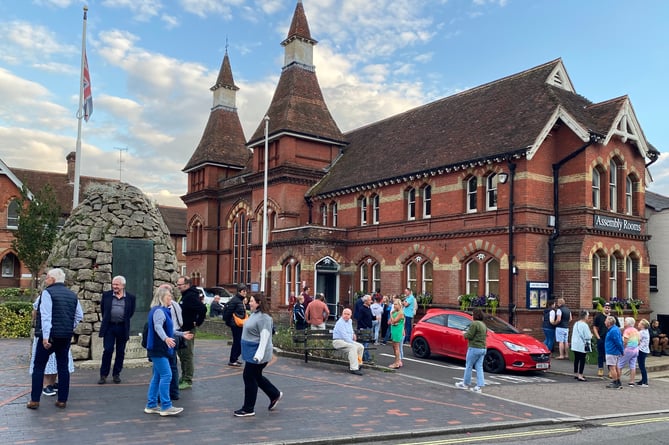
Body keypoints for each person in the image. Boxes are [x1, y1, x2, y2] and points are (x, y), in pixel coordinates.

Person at [27, 268, 83, 410]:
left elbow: (46, 316)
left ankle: (34, 400)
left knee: (38, 366)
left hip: (50, 336)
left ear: (52, 279)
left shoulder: (47, 293)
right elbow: (79, 316)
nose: (46, 280)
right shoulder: (72, 295)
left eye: (47, 278)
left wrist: (45, 337)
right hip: (65, 336)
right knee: (63, 367)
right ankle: (62, 400)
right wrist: (69, 327)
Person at [144, 286, 193, 416]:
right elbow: (158, 327)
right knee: (167, 375)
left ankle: (151, 405)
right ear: (162, 297)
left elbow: (168, 329)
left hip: (157, 349)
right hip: (158, 349)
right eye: (168, 296)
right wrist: (166, 339)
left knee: (157, 376)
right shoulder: (159, 311)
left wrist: (182, 334)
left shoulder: (160, 310)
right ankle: (166, 406)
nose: (171, 298)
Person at [234, 294, 282, 417]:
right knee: (256, 376)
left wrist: (259, 355)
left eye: (252, 301)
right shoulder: (254, 314)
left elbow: (265, 338)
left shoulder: (264, 318)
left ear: (259, 302)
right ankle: (274, 394)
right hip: (251, 353)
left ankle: (248, 408)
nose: (249, 303)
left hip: (257, 354)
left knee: (249, 377)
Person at [30, 294, 75, 397]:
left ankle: (52, 383)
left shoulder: (64, 296)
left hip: (58, 333)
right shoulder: (45, 296)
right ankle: (46, 385)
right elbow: (35, 311)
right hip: (48, 334)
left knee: (54, 360)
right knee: (47, 360)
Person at [98, 275, 136, 385]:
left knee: (120, 352)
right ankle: (103, 375)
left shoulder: (130, 298)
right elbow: (103, 310)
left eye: (117, 285)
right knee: (108, 350)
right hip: (109, 327)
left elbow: (131, 312)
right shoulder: (106, 296)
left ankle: (116, 374)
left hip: (122, 327)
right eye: (113, 284)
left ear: (123, 286)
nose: (114, 286)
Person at [175, 276, 207, 389]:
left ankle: (187, 379)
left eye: (180, 284)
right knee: (182, 354)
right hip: (182, 330)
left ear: (187, 284)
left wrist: (197, 322)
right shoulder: (185, 295)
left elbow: (203, 309)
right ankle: (183, 377)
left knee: (187, 355)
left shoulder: (190, 296)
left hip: (188, 329)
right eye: (177, 284)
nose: (178, 286)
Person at [455, 308, 487, 394]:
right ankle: (479, 386)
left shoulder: (474, 324)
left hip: (474, 347)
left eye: (473, 314)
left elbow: (470, 335)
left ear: (475, 315)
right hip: (483, 348)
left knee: (469, 365)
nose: (472, 316)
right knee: (479, 367)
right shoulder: (483, 325)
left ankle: (465, 384)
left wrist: (464, 334)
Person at [163, 283, 183, 401]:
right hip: (173, 336)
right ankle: (174, 392)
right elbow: (180, 321)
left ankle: (168, 393)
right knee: (173, 366)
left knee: (166, 367)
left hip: (168, 338)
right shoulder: (176, 306)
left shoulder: (158, 308)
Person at [332, 308, 365, 375]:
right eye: (345, 314)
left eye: (348, 314)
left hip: (347, 341)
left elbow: (351, 330)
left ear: (350, 315)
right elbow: (344, 336)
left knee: (361, 346)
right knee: (353, 347)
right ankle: (354, 368)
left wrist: (353, 334)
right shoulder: (340, 323)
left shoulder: (350, 321)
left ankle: (359, 364)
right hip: (338, 341)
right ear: (342, 314)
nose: (346, 315)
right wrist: (352, 342)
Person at [223, 284, 248, 367]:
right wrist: (229, 322)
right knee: (237, 342)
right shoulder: (235, 300)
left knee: (239, 342)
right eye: (244, 291)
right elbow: (228, 312)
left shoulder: (240, 300)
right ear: (239, 291)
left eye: (246, 291)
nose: (245, 293)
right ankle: (232, 360)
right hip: (236, 324)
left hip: (240, 324)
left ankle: (235, 358)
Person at [593, 302, 618, 377]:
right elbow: (595, 327)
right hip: (601, 338)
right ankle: (600, 368)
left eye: (609, 308)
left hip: (610, 340)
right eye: (606, 307)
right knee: (600, 354)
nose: (607, 309)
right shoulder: (599, 316)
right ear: (603, 308)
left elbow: (618, 327)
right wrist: (598, 337)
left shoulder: (613, 317)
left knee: (609, 355)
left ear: (610, 309)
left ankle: (610, 370)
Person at [570, 310, 592, 382]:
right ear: (585, 316)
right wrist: (591, 335)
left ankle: (575, 373)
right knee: (582, 360)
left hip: (575, 344)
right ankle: (580, 375)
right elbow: (588, 336)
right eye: (588, 316)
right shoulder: (585, 325)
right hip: (582, 345)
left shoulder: (576, 323)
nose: (588, 317)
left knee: (576, 359)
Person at [619, 317, 640, 387]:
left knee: (620, 364)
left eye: (625, 322)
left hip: (628, 349)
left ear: (628, 323)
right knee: (632, 365)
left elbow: (625, 341)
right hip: (636, 349)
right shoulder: (636, 330)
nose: (624, 323)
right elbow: (639, 341)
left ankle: (617, 380)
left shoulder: (627, 331)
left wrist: (622, 348)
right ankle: (632, 381)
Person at [604, 315, 624, 389]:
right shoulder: (616, 329)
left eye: (606, 321)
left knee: (612, 367)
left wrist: (622, 350)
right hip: (614, 351)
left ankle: (615, 382)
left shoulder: (613, 330)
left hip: (612, 351)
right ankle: (618, 381)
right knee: (615, 367)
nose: (604, 322)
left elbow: (618, 342)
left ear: (609, 322)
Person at [356, 294, 374, 363]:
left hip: (369, 328)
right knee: (365, 344)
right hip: (364, 328)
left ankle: (363, 358)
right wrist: (364, 326)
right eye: (370, 300)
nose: (371, 301)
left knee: (365, 343)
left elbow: (371, 317)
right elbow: (359, 319)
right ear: (366, 301)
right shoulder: (362, 309)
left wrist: (376, 317)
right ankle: (367, 358)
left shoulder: (369, 308)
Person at [388, 298, 405, 368]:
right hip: (394, 330)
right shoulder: (395, 312)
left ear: (399, 305)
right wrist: (392, 317)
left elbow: (394, 321)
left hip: (398, 331)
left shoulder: (401, 313)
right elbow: (390, 322)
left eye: (396, 304)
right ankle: (396, 361)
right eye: (394, 304)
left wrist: (391, 314)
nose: (394, 306)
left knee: (397, 347)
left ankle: (397, 363)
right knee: (394, 347)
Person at [636, 319, 650, 387]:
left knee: (642, 366)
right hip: (645, 350)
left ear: (643, 325)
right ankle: (643, 380)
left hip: (641, 350)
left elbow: (637, 340)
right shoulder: (646, 331)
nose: (638, 324)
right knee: (642, 365)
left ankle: (645, 382)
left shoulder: (641, 332)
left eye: (640, 323)